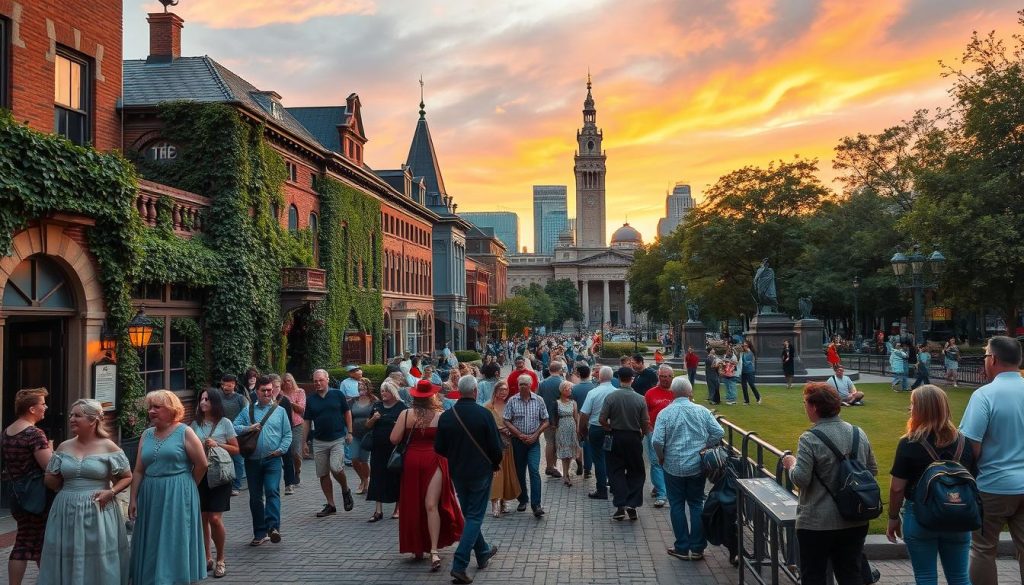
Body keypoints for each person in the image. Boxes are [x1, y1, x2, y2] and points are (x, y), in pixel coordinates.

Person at [781, 383, 878, 585]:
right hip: (854, 517)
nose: (805, 407)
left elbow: (800, 479)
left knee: (814, 575)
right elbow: (872, 470)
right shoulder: (858, 433)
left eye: (805, 403)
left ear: (814, 407)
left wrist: (791, 465)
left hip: (817, 521)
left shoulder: (809, 438)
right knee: (851, 575)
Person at [886, 385, 974, 585]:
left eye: (912, 405)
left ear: (920, 410)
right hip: (959, 515)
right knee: (960, 577)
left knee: (925, 577)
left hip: (920, 515)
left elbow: (897, 487)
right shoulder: (963, 442)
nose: (910, 409)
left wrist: (893, 518)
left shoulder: (909, 443)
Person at [39, 399, 131, 584]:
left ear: (92, 420)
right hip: (66, 508)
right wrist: (51, 473)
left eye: (77, 415)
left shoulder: (109, 447)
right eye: (71, 415)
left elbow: (127, 477)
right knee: (68, 552)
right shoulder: (64, 446)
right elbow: (50, 481)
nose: (71, 419)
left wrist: (111, 492)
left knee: (97, 554)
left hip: (99, 508)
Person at [959, 335, 1024, 585]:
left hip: (992, 485)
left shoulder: (985, 395)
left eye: (986, 355)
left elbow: (970, 445)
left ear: (993, 359)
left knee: (983, 548)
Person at [129, 390, 208, 584]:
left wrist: (187, 486)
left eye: (157, 407)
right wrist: (133, 498)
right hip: (150, 492)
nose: (152, 411)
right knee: (152, 537)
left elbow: (202, 464)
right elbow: (138, 470)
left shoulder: (185, 432)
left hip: (177, 491)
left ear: (171, 410)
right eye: (150, 407)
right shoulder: (146, 434)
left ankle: (174, 578)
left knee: (174, 535)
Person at [435, 376, 504, 585]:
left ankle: (482, 551)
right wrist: (495, 463)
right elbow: (495, 446)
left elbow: (439, 448)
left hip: (457, 471)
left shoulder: (447, 416)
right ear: (475, 391)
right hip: (480, 471)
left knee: (468, 515)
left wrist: (456, 457)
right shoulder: (484, 414)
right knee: (474, 517)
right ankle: (459, 563)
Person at [391, 380, 464, 570]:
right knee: (431, 505)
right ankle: (433, 551)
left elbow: (394, 439)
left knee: (413, 502)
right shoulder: (441, 416)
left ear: (414, 396)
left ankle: (418, 547)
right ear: (432, 396)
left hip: (412, 461)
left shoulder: (405, 414)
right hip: (436, 459)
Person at [653, 377, 724, 562]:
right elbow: (719, 432)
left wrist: (661, 455)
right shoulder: (701, 411)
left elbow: (657, 440)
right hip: (696, 465)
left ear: (672, 392)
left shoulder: (665, 413)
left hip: (673, 464)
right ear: (690, 392)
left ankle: (682, 547)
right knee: (695, 504)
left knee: (676, 505)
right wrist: (705, 447)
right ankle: (697, 547)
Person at [232, 377, 292, 546]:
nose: (267, 393)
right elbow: (233, 427)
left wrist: (282, 449)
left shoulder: (279, 411)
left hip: (272, 459)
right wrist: (249, 427)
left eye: (269, 390)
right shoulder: (247, 410)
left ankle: (273, 528)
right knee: (255, 497)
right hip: (252, 460)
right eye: (263, 390)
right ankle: (260, 532)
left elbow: (287, 434)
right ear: (256, 392)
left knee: (272, 490)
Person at [2, 388, 53, 585]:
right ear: (32, 409)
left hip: (17, 494)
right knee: (39, 542)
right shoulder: (34, 434)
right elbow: (48, 466)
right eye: (42, 404)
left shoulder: (7, 432)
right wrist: (53, 451)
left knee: (23, 540)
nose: (45, 407)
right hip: (37, 496)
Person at [190, 389, 240, 578]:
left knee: (215, 518)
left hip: (219, 475)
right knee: (202, 517)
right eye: (201, 398)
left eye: (207, 399)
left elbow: (236, 449)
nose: (203, 402)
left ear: (215, 402)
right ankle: (206, 557)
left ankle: (221, 558)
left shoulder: (225, 423)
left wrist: (217, 444)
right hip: (200, 475)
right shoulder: (195, 424)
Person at [600, 366, 650, 520]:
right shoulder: (640, 398)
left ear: (619, 379)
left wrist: (609, 428)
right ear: (632, 379)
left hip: (616, 436)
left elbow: (602, 419)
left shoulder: (611, 397)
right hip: (634, 437)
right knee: (636, 471)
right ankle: (632, 503)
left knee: (616, 471)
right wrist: (641, 434)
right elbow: (645, 422)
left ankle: (620, 504)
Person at [303, 368, 354, 517]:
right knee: (323, 473)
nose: (318, 383)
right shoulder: (311, 399)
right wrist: (304, 442)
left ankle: (345, 489)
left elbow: (347, 412)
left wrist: (349, 432)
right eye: (315, 381)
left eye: (321, 380)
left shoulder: (337, 394)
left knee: (336, 467)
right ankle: (330, 504)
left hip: (337, 438)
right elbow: (307, 421)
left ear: (327, 379)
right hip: (319, 440)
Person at [504, 374, 550, 517]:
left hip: (534, 442)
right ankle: (522, 499)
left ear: (531, 385)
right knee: (519, 471)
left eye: (525, 384)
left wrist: (536, 435)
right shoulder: (512, 400)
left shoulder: (538, 400)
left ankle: (536, 504)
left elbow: (546, 420)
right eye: (520, 384)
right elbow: (506, 420)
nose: (523, 386)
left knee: (534, 470)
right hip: (518, 441)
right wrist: (518, 434)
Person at [365, 380, 407, 522]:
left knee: (396, 477)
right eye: (382, 391)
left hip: (395, 449)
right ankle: (378, 511)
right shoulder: (377, 406)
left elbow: (407, 427)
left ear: (393, 392)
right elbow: (367, 425)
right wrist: (374, 419)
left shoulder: (401, 407)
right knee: (377, 476)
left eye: (386, 391)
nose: (383, 393)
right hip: (378, 448)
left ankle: (398, 508)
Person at [579, 366, 617, 499]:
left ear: (599, 377)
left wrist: (582, 430)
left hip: (596, 428)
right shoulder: (616, 393)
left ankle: (601, 489)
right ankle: (613, 485)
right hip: (612, 430)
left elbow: (584, 414)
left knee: (599, 459)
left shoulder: (593, 393)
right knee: (611, 457)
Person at [484, 381, 521, 516]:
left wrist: (511, 430)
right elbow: (485, 424)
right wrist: (500, 429)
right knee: (497, 474)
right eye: (501, 390)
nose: (504, 392)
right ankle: (495, 503)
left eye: (506, 390)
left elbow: (515, 421)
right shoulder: (489, 407)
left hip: (508, 444)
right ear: (495, 391)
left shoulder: (509, 405)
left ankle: (504, 501)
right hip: (495, 445)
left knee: (507, 472)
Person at [643, 365, 675, 508]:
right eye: (662, 376)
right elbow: (644, 413)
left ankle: (659, 486)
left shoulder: (677, 393)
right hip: (653, 432)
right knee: (656, 462)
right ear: (658, 377)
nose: (665, 379)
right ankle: (662, 494)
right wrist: (647, 427)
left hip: (673, 434)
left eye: (668, 376)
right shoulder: (650, 393)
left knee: (669, 462)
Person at [219, 373, 248, 496]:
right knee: (222, 459)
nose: (227, 387)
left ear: (234, 385)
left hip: (236, 433)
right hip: (221, 432)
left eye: (230, 384)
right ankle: (224, 484)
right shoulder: (217, 397)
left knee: (238, 459)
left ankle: (236, 485)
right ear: (222, 385)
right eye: (225, 384)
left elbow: (246, 414)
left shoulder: (240, 398)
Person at [267, 374, 297, 494]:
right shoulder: (263, 400)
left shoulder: (284, 400)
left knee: (287, 458)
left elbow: (289, 420)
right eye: (273, 386)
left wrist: (285, 435)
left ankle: (289, 483)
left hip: (283, 434)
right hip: (269, 434)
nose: (275, 389)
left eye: (277, 386)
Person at [537, 360, 566, 478]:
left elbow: (539, 399)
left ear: (549, 370)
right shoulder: (563, 383)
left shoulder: (542, 383)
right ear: (560, 370)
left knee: (549, 441)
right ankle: (550, 466)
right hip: (560, 418)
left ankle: (551, 465)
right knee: (556, 442)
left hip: (546, 417)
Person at [279, 372, 306, 494]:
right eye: (285, 381)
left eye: (289, 380)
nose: (287, 383)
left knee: (295, 451)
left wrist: (289, 402)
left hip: (296, 424)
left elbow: (301, 409)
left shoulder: (299, 392)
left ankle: (298, 470)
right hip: (283, 426)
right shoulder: (280, 394)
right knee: (286, 452)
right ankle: (290, 474)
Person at [349, 378, 377, 495]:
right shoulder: (353, 401)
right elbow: (348, 416)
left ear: (368, 387)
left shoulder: (374, 400)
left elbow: (378, 415)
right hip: (355, 433)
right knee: (354, 459)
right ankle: (363, 479)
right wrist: (348, 432)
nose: (361, 388)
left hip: (368, 434)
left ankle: (366, 481)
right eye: (359, 386)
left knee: (364, 460)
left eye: (364, 386)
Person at [570, 363, 596, 479]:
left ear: (579, 374)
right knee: (589, 445)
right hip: (592, 420)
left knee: (579, 443)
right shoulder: (595, 387)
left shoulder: (574, 389)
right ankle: (588, 469)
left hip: (578, 419)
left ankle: (580, 462)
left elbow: (571, 406)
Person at [554, 380, 580, 486]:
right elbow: (554, 417)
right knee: (564, 453)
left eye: (570, 389)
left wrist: (577, 428)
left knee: (570, 453)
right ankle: (565, 475)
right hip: (561, 428)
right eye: (567, 389)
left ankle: (567, 473)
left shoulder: (573, 403)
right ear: (562, 390)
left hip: (571, 428)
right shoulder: (557, 402)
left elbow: (576, 416)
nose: (569, 391)